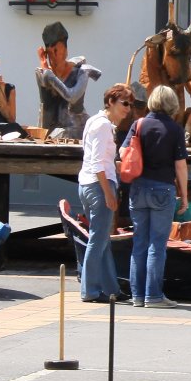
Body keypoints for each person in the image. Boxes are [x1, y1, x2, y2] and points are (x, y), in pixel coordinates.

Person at [121, 85, 189, 307]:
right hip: (162, 189)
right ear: (172, 104)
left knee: (139, 242)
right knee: (157, 244)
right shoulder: (175, 129)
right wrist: (185, 195)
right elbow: (180, 166)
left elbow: (123, 152)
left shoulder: (138, 124)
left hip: (138, 188)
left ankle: (137, 296)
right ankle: (153, 296)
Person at [76, 83, 131, 302]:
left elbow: (93, 156)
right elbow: (98, 163)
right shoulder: (103, 125)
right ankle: (90, 290)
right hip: (98, 186)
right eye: (124, 103)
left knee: (102, 240)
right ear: (111, 102)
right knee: (98, 240)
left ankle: (111, 288)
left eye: (130, 104)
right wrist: (109, 194)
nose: (128, 108)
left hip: (88, 184)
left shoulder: (95, 121)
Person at [34, 21, 102, 135]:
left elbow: (73, 97)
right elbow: (46, 106)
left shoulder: (82, 71)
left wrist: (49, 75)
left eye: (57, 50)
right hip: (54, 134)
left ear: (66, 51)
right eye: (51, 52)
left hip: (77, 130)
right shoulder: (44, 73)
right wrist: (44, 67)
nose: (54, 56)